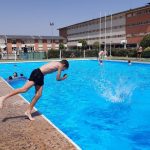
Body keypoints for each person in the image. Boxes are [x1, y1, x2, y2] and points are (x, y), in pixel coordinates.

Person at [0, 60, 69, 121]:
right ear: (64, 65)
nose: (62, 70)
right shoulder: (60, 65)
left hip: (38, 73)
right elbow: (57, 79)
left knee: (37, 94)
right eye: (64, 69)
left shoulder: (56, 62)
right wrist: (64, 78)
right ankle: (3, 98)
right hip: (39, 74)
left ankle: (28, 111)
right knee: (24, 89)